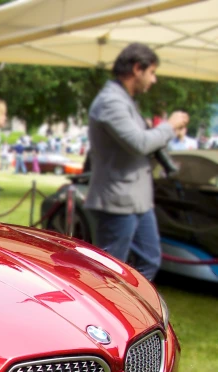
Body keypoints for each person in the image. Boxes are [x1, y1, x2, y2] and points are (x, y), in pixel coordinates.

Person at [85, 42, 189, 281]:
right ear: (136, 69)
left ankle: (130, 313)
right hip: (117, 201)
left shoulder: (124, 100)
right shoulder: (110, 101)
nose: (154, 80)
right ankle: (107, 314)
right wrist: (170, 125)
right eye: (152, 72)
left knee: (149, 261)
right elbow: (139, 143)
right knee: (108, 273)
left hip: (136, 201)